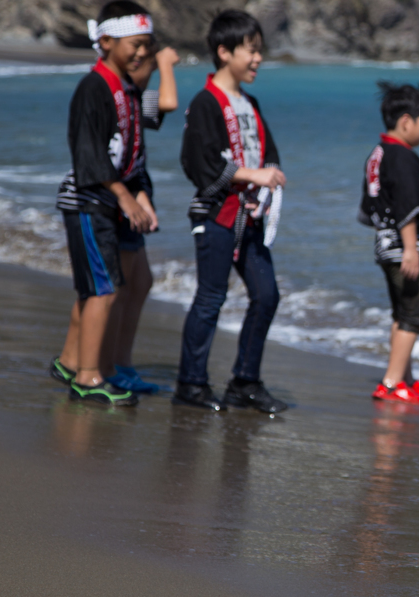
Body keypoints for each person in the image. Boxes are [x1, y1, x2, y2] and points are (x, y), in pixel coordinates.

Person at [173, 9, 288, 414]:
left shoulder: (249, 102)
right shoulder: (205, 103)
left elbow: (267, 152)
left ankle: (245, 381)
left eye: (260, 51)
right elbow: (198, 162)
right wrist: (251, 174)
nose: (258, 59)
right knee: (210, 297)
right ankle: (191, 383)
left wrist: (270, 174)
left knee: (267, 295)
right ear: (224, 52)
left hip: (250, 219)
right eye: (250, 51)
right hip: (215, 216)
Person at [50, 0, 158, 406]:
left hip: (107, 201)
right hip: (88, 202)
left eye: (147, 45)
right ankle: (89, 378)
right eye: (136, 44)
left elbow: (133, 151)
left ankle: (72, 362)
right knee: (103, 290)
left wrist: (140, 194)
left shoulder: (125, 89)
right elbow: (88, 156)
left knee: (97, 288)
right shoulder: (94, 88)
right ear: (107, 41)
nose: (142, 52)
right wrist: (124, 196)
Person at [100, 40, 181, 395]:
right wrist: (166, 63)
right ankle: (107, 365)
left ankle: (120, 361)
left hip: (133, 194)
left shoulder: (133, 99)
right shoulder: (126, 95)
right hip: (117, 200)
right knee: (121, 284)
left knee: (141, 281)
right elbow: (169, 102)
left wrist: (143, 193)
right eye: (147, 64)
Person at [359, 82, 419, 406]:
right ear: (406, 121)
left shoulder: (378, 154)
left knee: (401, 313)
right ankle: (393, 384)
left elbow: (370, 207)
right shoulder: (402, 157)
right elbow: (407, 205)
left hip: (386, 247)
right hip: (408, 251)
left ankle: (404, 379)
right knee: (412, 315)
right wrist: (410, 247)